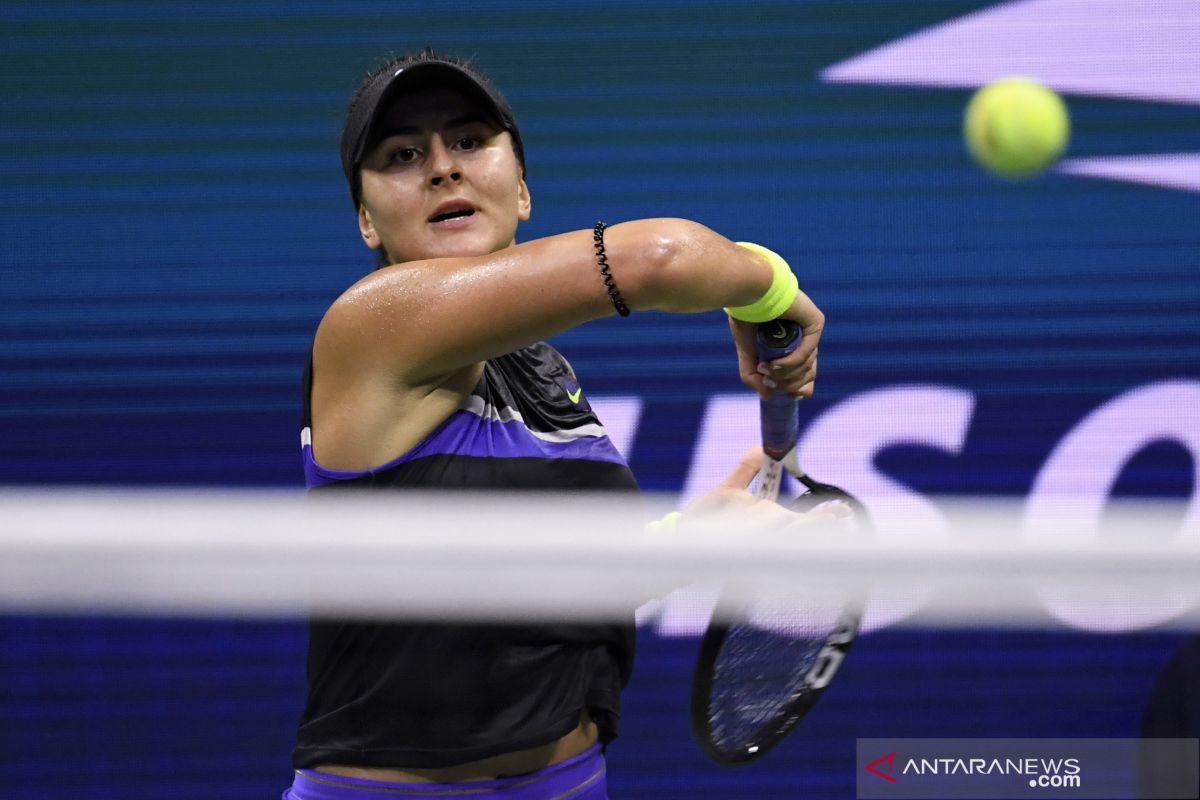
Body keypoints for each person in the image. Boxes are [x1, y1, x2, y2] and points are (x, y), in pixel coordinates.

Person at [285, 47, 827, 800]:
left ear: (524, 191)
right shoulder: (371, 328)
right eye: (403, 154)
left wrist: (693, 536)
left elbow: (535, 592)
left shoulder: (542, 373)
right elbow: (659, 259)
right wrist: (769, 291)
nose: (443, 167)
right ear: (366, 220)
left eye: (471, 141)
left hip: (570, 782)